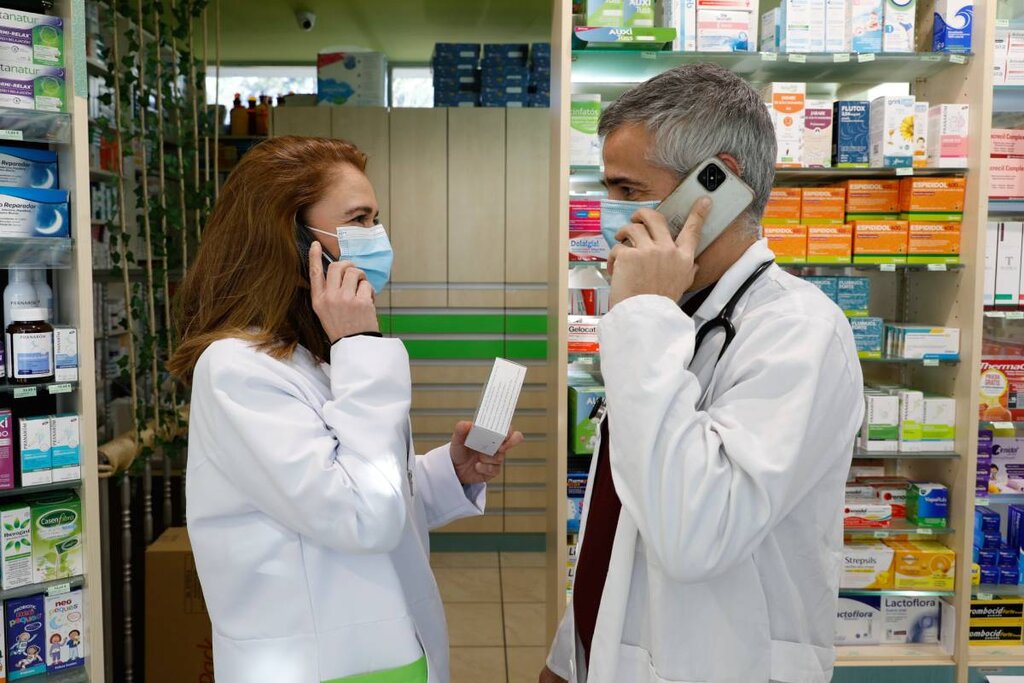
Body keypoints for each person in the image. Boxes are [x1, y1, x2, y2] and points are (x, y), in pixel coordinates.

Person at [541, 64, 864, 683]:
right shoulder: (680, 316)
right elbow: (627, 510)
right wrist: (573, 651)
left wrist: (640, 317)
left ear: (715, 185)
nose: (616, 218)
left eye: (630, 192)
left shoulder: (799, 332)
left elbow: (694, 535)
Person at [168, 136, 523, 683]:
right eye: (358, 220)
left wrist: (445, 472)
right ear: (289, 237)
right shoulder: (238, 370)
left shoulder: (313, 356)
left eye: (376, 219)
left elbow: (361, 488)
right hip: (322, 664)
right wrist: (361, 346)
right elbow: (363, 516)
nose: (377, 240)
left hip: (388, 648)